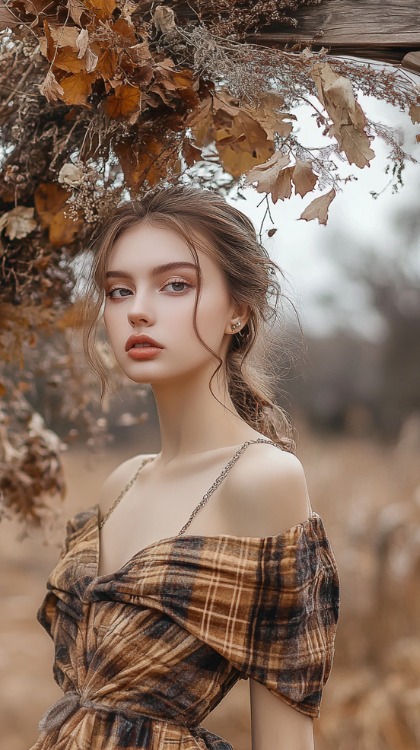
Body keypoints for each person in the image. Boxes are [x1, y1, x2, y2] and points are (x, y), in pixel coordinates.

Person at [30, 185, 340, 750]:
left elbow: (285, 730)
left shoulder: (262, 480)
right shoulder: (121, 484)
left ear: (238, 311)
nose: (137, 309)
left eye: (176, 284)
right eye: (118, 290)